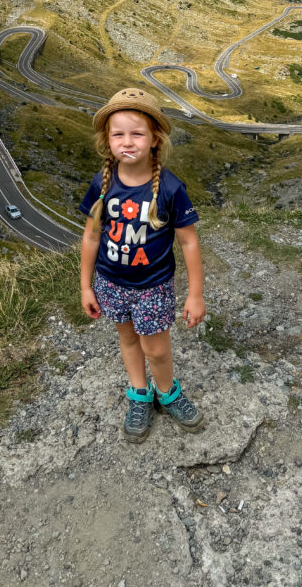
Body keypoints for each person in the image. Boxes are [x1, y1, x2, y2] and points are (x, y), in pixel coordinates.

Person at [79, 87, 207, 443]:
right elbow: (91, 237)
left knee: (157, 348)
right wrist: (86, 285)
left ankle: (168, 392)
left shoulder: (170, 187)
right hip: (110, 283)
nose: (127, 142)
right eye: (118, 134)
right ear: (107, 140)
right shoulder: (102, 186)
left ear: (155, 139)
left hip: (153, 287)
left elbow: (189, 241)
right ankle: (139, 394)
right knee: (128, 339)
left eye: (137, 133)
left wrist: (195, 295)